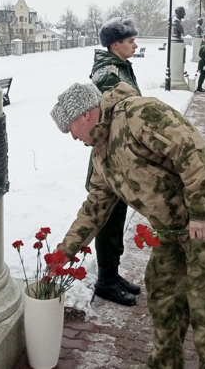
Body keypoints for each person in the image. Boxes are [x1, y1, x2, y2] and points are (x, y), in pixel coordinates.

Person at [50, 82, 205, 369]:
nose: (72, 137)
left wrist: (202, 212)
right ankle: (165, 363)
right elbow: (96, 206)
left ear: (85, 116)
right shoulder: (102, 154)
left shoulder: (138, 114)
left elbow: (193, 152)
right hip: (171, 229)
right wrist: (65, 251)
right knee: (164, 293)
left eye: (69, 129)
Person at [87, 17, 142, 306]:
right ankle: (105, 280)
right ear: (115, 44)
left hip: (120, 155)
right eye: (130, 40)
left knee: (117, 216)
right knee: (108, 219)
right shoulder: (108, 73)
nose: (135, 44)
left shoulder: (119, 67)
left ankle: (113, 273)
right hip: (110, 157)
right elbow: (107, 122)